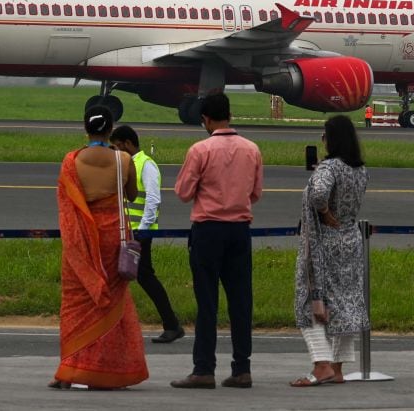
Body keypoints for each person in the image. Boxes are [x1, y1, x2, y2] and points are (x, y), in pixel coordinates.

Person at [50, 105, 149, 390]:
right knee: (111, 303)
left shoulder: (70, 161)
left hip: (81, 239)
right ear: (110, 129)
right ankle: (105, 370)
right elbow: (131, 194)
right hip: (112, 239)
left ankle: (70, 369)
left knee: (76, 304)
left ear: (86, 127)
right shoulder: (122, 160)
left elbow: (67, 202)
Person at [170, 92, 264, 390]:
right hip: (239, 230)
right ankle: (242, 368)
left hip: (208, 229)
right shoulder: (252, 149)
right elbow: (255, 194)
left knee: (207, 302)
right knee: (241, 301)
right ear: (230, 116)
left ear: (205, 119)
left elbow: (183, 192)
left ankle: (204, 368)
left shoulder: (200, 150)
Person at [291, 114, 370, 386]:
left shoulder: (329, 168)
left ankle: (321, 363)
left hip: (324, 242)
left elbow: (317, 195)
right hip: (350, 239)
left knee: (310, 301)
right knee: (346, 302)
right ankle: (337, 368)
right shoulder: (360, 169)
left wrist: (324, 211)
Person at [109, 124, 185, 343]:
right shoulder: (126, 164)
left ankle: (171, 324)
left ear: (129, 144)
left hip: (141, 233)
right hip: (128, 232)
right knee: (127, 277)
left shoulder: (146, 165)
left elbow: (153, 200)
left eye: (118, 147)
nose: (116, 152)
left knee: (144, 277)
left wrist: (142, 229)